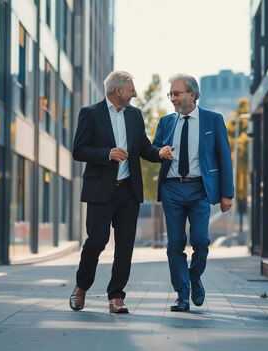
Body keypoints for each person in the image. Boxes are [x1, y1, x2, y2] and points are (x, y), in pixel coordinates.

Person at [69, 71, 173, 314]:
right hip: (100, 191)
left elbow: (143, 147)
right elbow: (79, 150)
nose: (135, 93)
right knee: (96, 241)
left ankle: (116, 297)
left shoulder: (135, 115)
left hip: (129, 191)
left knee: (125, 247)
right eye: (131, 89)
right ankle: (81, 287)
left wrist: (159, 153)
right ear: (118, 91)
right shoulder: (90, 113)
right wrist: (107, 153)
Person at [152, 73, 234, 312]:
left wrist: (226, 193)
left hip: (200, 188)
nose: (173, 99)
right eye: (171, 94)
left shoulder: (213, 120)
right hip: (172, 188)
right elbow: (154, 148)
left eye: (176, 94)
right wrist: (160, 152)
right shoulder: (167, 121)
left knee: (201, 240)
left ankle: (194, 276)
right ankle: (182, 294)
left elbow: (224, 157)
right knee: (175, 243)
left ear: (193, 94)